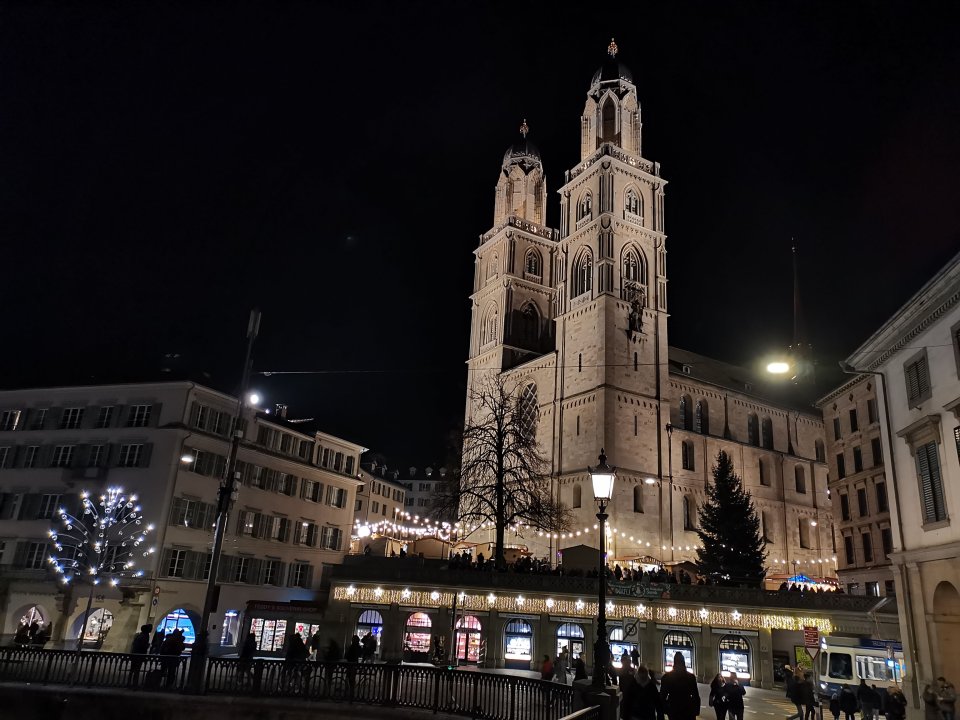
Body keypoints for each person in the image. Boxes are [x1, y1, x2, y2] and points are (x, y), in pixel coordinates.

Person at [660, 652, 701, 720]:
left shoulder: (667, 677)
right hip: (687, 708)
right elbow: (695, 695)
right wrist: (696, 711)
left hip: (674, 708)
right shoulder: (691, 677)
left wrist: (666, 709)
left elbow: (662, 696)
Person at [129, 624, 152, 688]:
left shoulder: (140, 635)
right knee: (136, 670)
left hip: (135, 654)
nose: (151, 629)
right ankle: (134, 685)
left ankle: (130, 683)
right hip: (139, 655)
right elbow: (143, 646)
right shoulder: (145, 636)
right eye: (150, 628)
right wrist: (147, 646)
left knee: (132, 670)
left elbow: (134, 644)